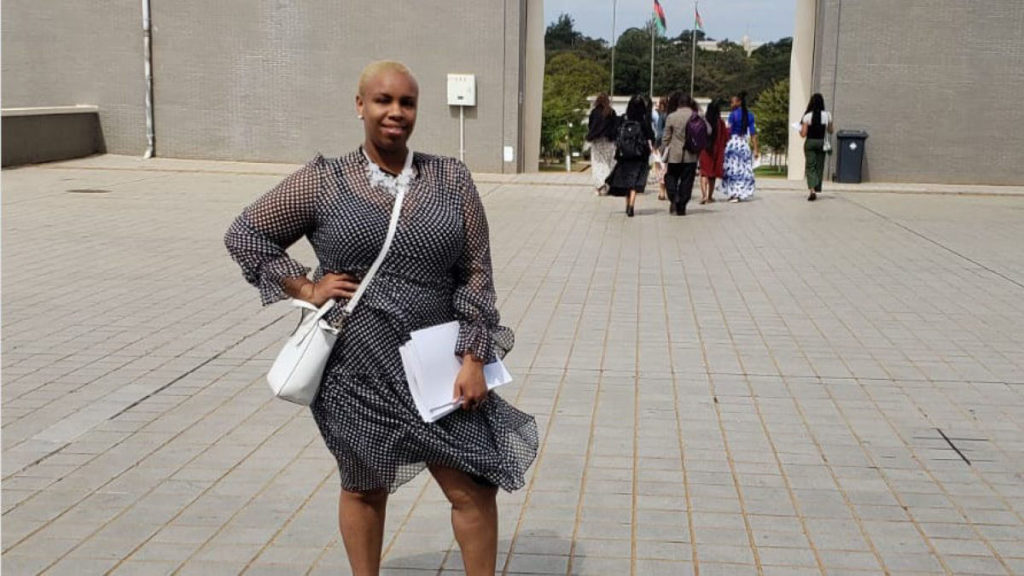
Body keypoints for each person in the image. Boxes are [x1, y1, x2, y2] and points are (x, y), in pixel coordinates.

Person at [224, 61, 538, 576]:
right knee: (364, 486)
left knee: (472, 488)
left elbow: (477, 271)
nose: (396, 112)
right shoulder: (325, 180)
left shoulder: (449, 178)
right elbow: (246, 234)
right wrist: (305, 286)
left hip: (439, 366)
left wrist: (475, 355)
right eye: (383, 101)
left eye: (407, 103)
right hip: (356, 369)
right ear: (360, 106)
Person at [605, 94, 655, 217]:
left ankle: (627, 204)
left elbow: (614, 132)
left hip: (624, 154)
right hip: (639, 154)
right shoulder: (643, 122)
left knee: (627, 179)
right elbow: (651, 136)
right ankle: (631, 205)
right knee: (635, 179)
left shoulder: (623, 119)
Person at [660, 92, 702, 216]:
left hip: (674, 154)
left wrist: (663, 151)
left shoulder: (672, 117)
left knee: (671, 177)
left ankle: (674, 197)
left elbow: (666, 137)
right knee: (687, 181)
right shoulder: (697, 116)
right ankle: (682, 205)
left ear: (678, 103)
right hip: (691, 155)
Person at [722, 91, 759, 203]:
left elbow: (728, 130)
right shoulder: (750, 115)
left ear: (738, 102)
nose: (731, 104)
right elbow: (753, 133)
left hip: (733, 143)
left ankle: (734, 193)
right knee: (742, 169)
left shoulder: (732, 115)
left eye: (732, 102)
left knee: (732, 169)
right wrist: (756, 149)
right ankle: (740, 192)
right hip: (743, 144)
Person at [800, 92, 834, 201]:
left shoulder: (807, 116)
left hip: (810, 142)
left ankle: (812, 190)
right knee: (819, 166)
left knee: (810, 167)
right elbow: (830, 130)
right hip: (821, 143)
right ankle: (817, 187)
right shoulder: (827, 115)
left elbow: (803, 134)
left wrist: (799, 130)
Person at [586, 93, 618, 195]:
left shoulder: (594, 112)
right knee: (609, 164)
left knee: (598, 164)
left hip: (597, 141)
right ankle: (608, 185)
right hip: (609, 141)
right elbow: (615, 127)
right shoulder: (612, 112)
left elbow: (590, 126)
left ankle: (600, 185)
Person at [698, 100, 728, 204]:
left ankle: (703, 195)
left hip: (704, 150)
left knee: (703, 173)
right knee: (712, 175)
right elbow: (725, 137)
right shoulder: (720, 122)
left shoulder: (703, 121)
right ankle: (710, 197)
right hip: (715, 151)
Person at [653, 97, 669, 200]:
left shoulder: (662, 116)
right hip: (672, 145)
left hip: (662, 145)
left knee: (661, 168)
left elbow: (659, 133)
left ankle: (662, 192)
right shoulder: (672, 115)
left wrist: (655, 145)